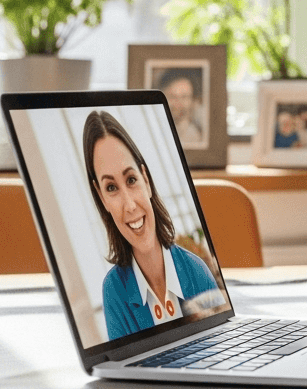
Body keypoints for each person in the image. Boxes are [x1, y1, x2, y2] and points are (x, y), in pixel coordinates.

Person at [83, 110, 226, 341]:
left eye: (131, 180)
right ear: (101, 198)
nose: (129, 205)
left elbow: (221, 352)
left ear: (146, 181)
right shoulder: (114, 291)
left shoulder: (197, 271)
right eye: (111, 188)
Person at [158, 68, 203, 145]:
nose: (177, 103)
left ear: (193, 102)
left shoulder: (196, 137)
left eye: (184, 97)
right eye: (172, 96)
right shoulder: (156, 131)